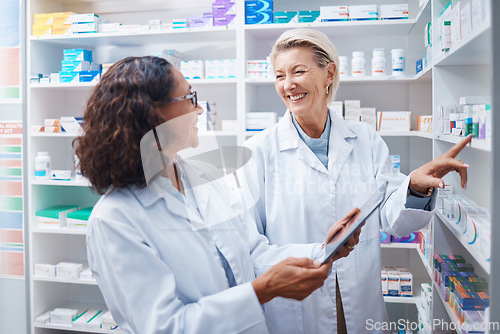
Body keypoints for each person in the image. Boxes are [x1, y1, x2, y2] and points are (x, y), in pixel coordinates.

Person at [74, 56, 361, 334]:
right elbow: (165, 327)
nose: (199, 110)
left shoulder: (200, 179)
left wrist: (323, 250)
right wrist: (260, 292)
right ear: (152, 113)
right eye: (189, 98)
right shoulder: (115, 220)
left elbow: (250, 253)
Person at [242, 28, 472, 333]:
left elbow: (392, 219)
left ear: (329, 74)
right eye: (279, 75)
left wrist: (415, 186)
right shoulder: (258, 151)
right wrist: (319, 251)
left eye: (298, 71)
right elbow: (252, 247)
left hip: (358, 297)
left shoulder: (364, 138)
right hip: (298, 303)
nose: (288, 85)